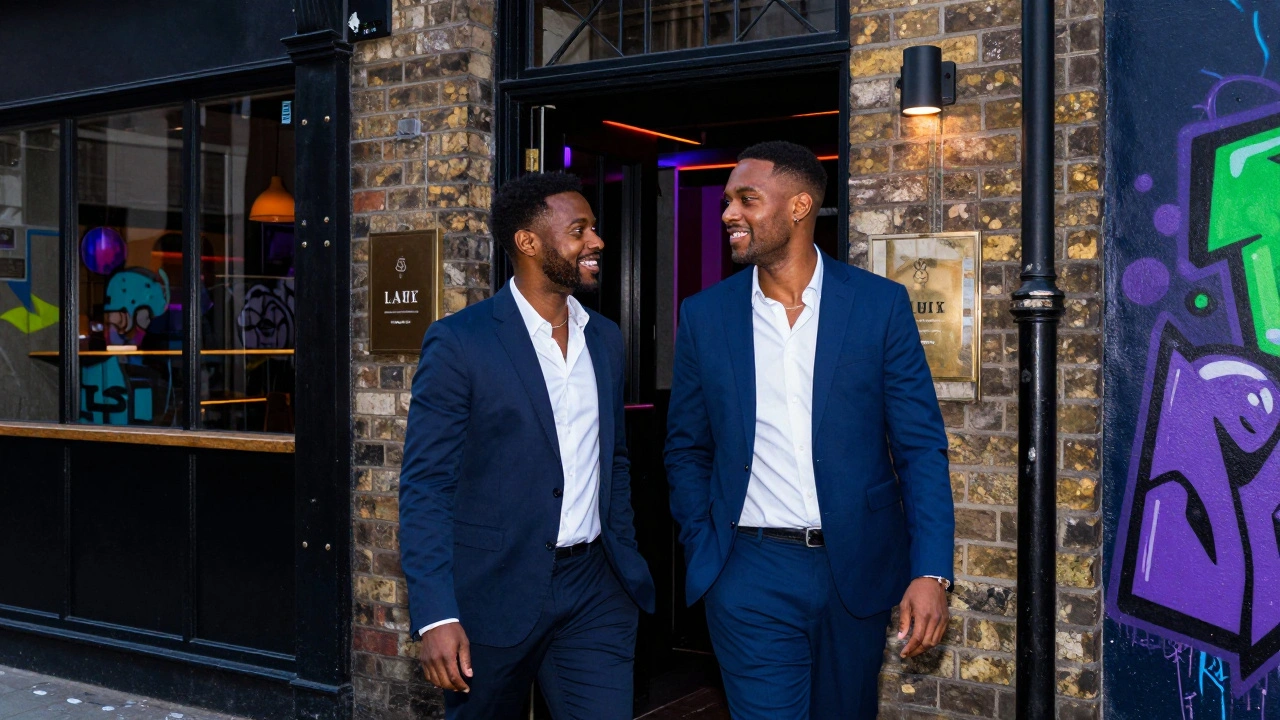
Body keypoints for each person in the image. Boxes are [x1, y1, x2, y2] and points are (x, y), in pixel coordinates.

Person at [664, 141, 955, 719]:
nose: (728, 214)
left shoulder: (878, 306)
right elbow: (687, 447)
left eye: (747, 199)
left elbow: (921, 448)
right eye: (727, 201)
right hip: (748, 570)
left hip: (858, 570)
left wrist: (931, 571)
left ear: (799, 206)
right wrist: (706, 545)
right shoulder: (706, 316)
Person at [399, 172, 655, 719]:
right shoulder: (461, 341)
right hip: (494, 593)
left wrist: (623, 553)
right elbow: (426, 485)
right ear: (528, 242)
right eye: (579, 230)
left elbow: (614, 461)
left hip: (596, 589)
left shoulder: (605, 338)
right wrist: (436, 615)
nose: (597, 242)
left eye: (594, 229)